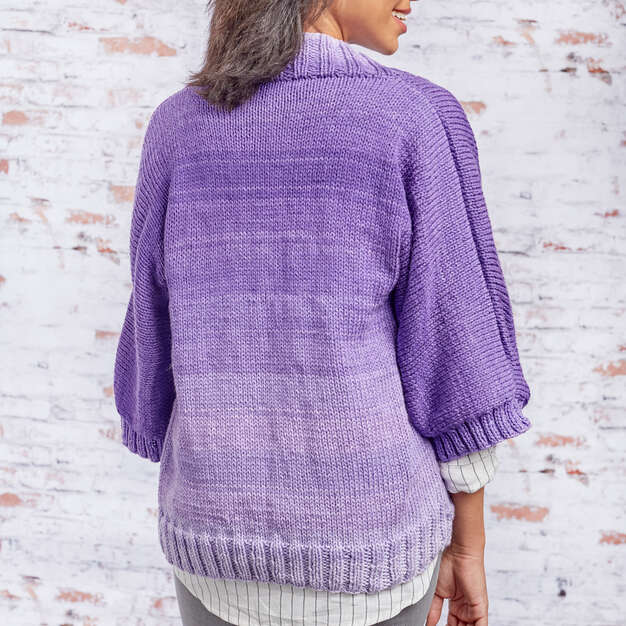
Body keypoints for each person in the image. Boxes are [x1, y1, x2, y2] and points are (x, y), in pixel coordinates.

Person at [113, 1, 533, 625]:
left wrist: (151, 419)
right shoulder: (411, 118)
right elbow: (454, 349)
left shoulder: (178, 124)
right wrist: (467, 543)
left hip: (211, 537)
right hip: (372, 547)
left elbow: (152, 316)